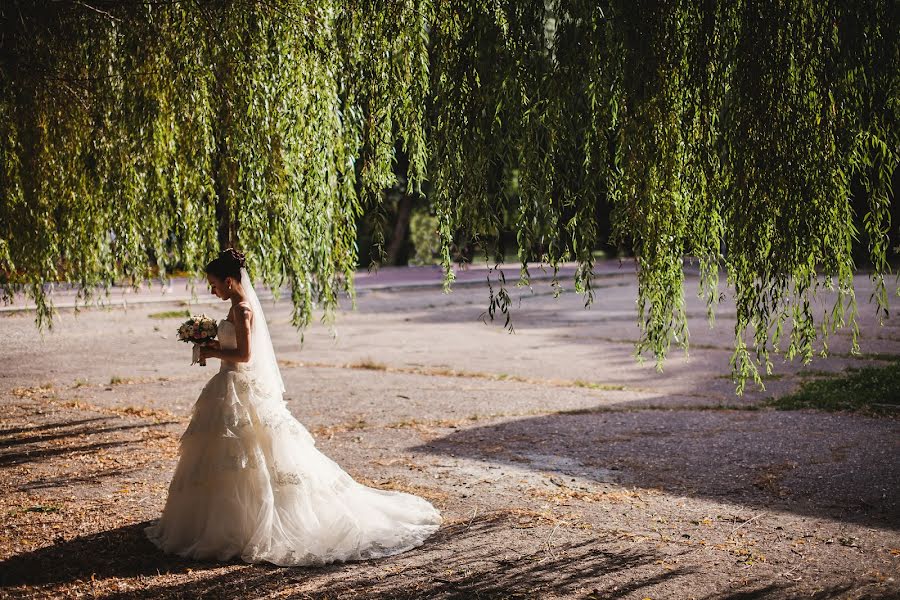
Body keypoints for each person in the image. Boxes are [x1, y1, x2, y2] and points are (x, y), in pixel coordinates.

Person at [145, 249, 442, 565]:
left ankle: (255, 522)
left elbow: (245, 356)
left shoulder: (243, 310)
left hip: (241, 387)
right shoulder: (235, 307)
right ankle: (228, 521)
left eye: (214, 284)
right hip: (228, 385)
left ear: (230, 281)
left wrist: (214, 352)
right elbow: (236, 347)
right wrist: (212, 345)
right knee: (233, 460)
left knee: (255, 458)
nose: (212, 290)